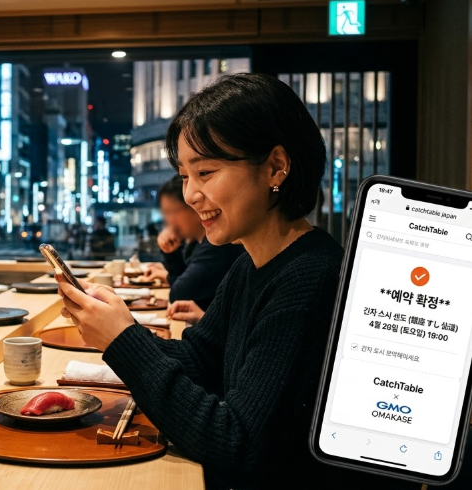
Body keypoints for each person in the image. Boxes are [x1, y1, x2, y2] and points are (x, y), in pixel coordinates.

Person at [55, 74, 419, 490]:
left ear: (275, 167)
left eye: (205, 172)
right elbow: (201, 360)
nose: (190, 195)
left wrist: (123, 341)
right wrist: (117, 328)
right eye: (185, 176)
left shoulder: (312, 280)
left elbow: (239, 444)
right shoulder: (253, 264)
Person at [142, 176, 243, 319]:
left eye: (173, 211)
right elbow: (184, 279)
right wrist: (171, 253)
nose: (169, 220)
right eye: (166, 213)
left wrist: (171, 258)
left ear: (193, 208)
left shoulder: (217, 245)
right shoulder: (197, 243)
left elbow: (180, 294)